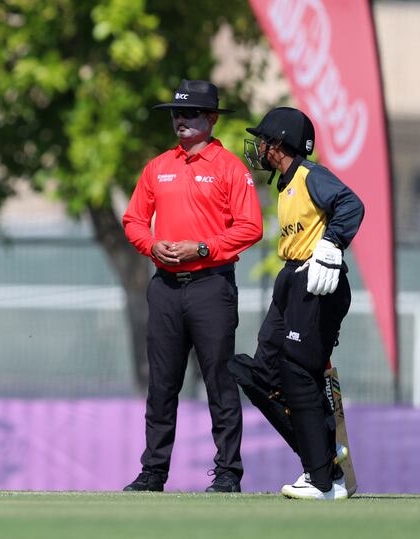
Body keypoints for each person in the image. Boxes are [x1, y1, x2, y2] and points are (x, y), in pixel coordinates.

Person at [122, 80, 263, 492]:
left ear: (212, 119)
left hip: (211, 287)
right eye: (176, 114)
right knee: (161, 384)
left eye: (190, 113)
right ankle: (153, 472)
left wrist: (201, 247)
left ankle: (227, 473)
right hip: (165, 286)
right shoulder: (158, 166)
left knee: (219, 381)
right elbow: (133, 220)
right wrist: (152, 246)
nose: (180, 120)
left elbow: (251, 227)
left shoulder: (231, 168)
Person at [231, 107, 364, 500]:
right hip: (291, 279)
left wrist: (331, 244)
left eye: (264, 141)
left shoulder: (310, 176)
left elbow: (352, 205)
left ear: (280, 145)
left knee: (296, 369)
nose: (257, 148)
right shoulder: (285, 185)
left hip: (317, 278)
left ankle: (322, 481)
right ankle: (324, 455)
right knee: (257, 373)